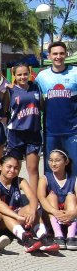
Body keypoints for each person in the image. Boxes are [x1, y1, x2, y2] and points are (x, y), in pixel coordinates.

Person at [0, 155, 59, 253]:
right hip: (0, 221)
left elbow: (32, 197)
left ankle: (43, 237)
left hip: (17, 217)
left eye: (16, 168)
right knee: (3, 211)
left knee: (31, 207)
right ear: (0, 167)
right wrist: (17, 217)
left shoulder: (20, 181)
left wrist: (33, 212)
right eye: (9, 167)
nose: (12, 170)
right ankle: (26, 240)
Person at [35, 41, 77, 173]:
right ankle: (51, 193)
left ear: (66, 54)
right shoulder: (42, 77)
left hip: (73, 131)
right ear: (49, 56)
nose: (58, 56)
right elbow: (36, 100)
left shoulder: (75, 72)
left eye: (61, 53)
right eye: (55, 54)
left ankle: (73, 192)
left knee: (74, 167)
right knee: (51, 168)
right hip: (50, 131)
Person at [6, 63, 43, 193]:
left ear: (29, 74)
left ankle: (34, 200)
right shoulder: (9, 90)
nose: (22, 77)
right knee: (13, 168)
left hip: (33, 132)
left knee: (32, 169)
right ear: (14, 75)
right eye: (19, 74)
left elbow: (42, 105)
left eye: (25, 74)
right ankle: (13, 197)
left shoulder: (35, 87)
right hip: (16, 133)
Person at [37, 149, 77, 250]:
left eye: (57, 160)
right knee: (51, 196)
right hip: (51, 216)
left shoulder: (74, 179)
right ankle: (58, 234)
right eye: (50, 160)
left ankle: (71, 236)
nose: (53, 164)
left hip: (69, 217)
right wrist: (55, 211)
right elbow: (41, 198)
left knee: (71, 196)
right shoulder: (45, 178)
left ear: (66, 162)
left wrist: (73, 213)